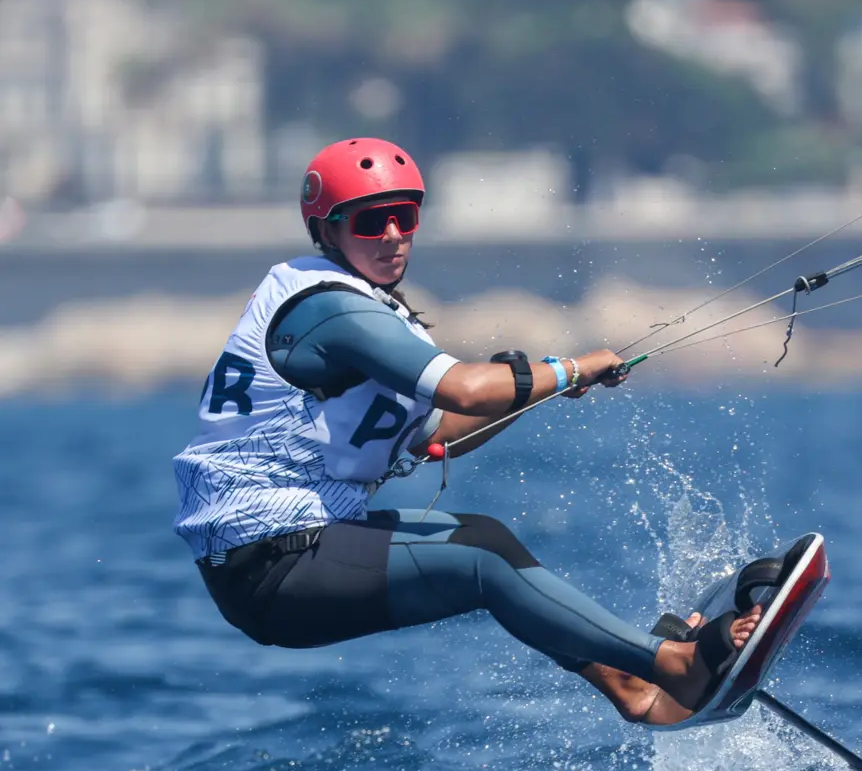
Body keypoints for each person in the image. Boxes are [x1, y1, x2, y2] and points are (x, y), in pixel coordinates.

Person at [173, 137, 761, 725]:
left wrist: (541, 389)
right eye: (372, 221)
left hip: (304, 541)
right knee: (482, 561)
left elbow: (441, 435)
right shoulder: (329, 310)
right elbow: (467, 390)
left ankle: (630, 688)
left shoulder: (368, 310)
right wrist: (569, 368)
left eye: (404, 217)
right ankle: (673, 665)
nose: (394, 236)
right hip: (269, 562)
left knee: (488, 538)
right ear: (326, 232)